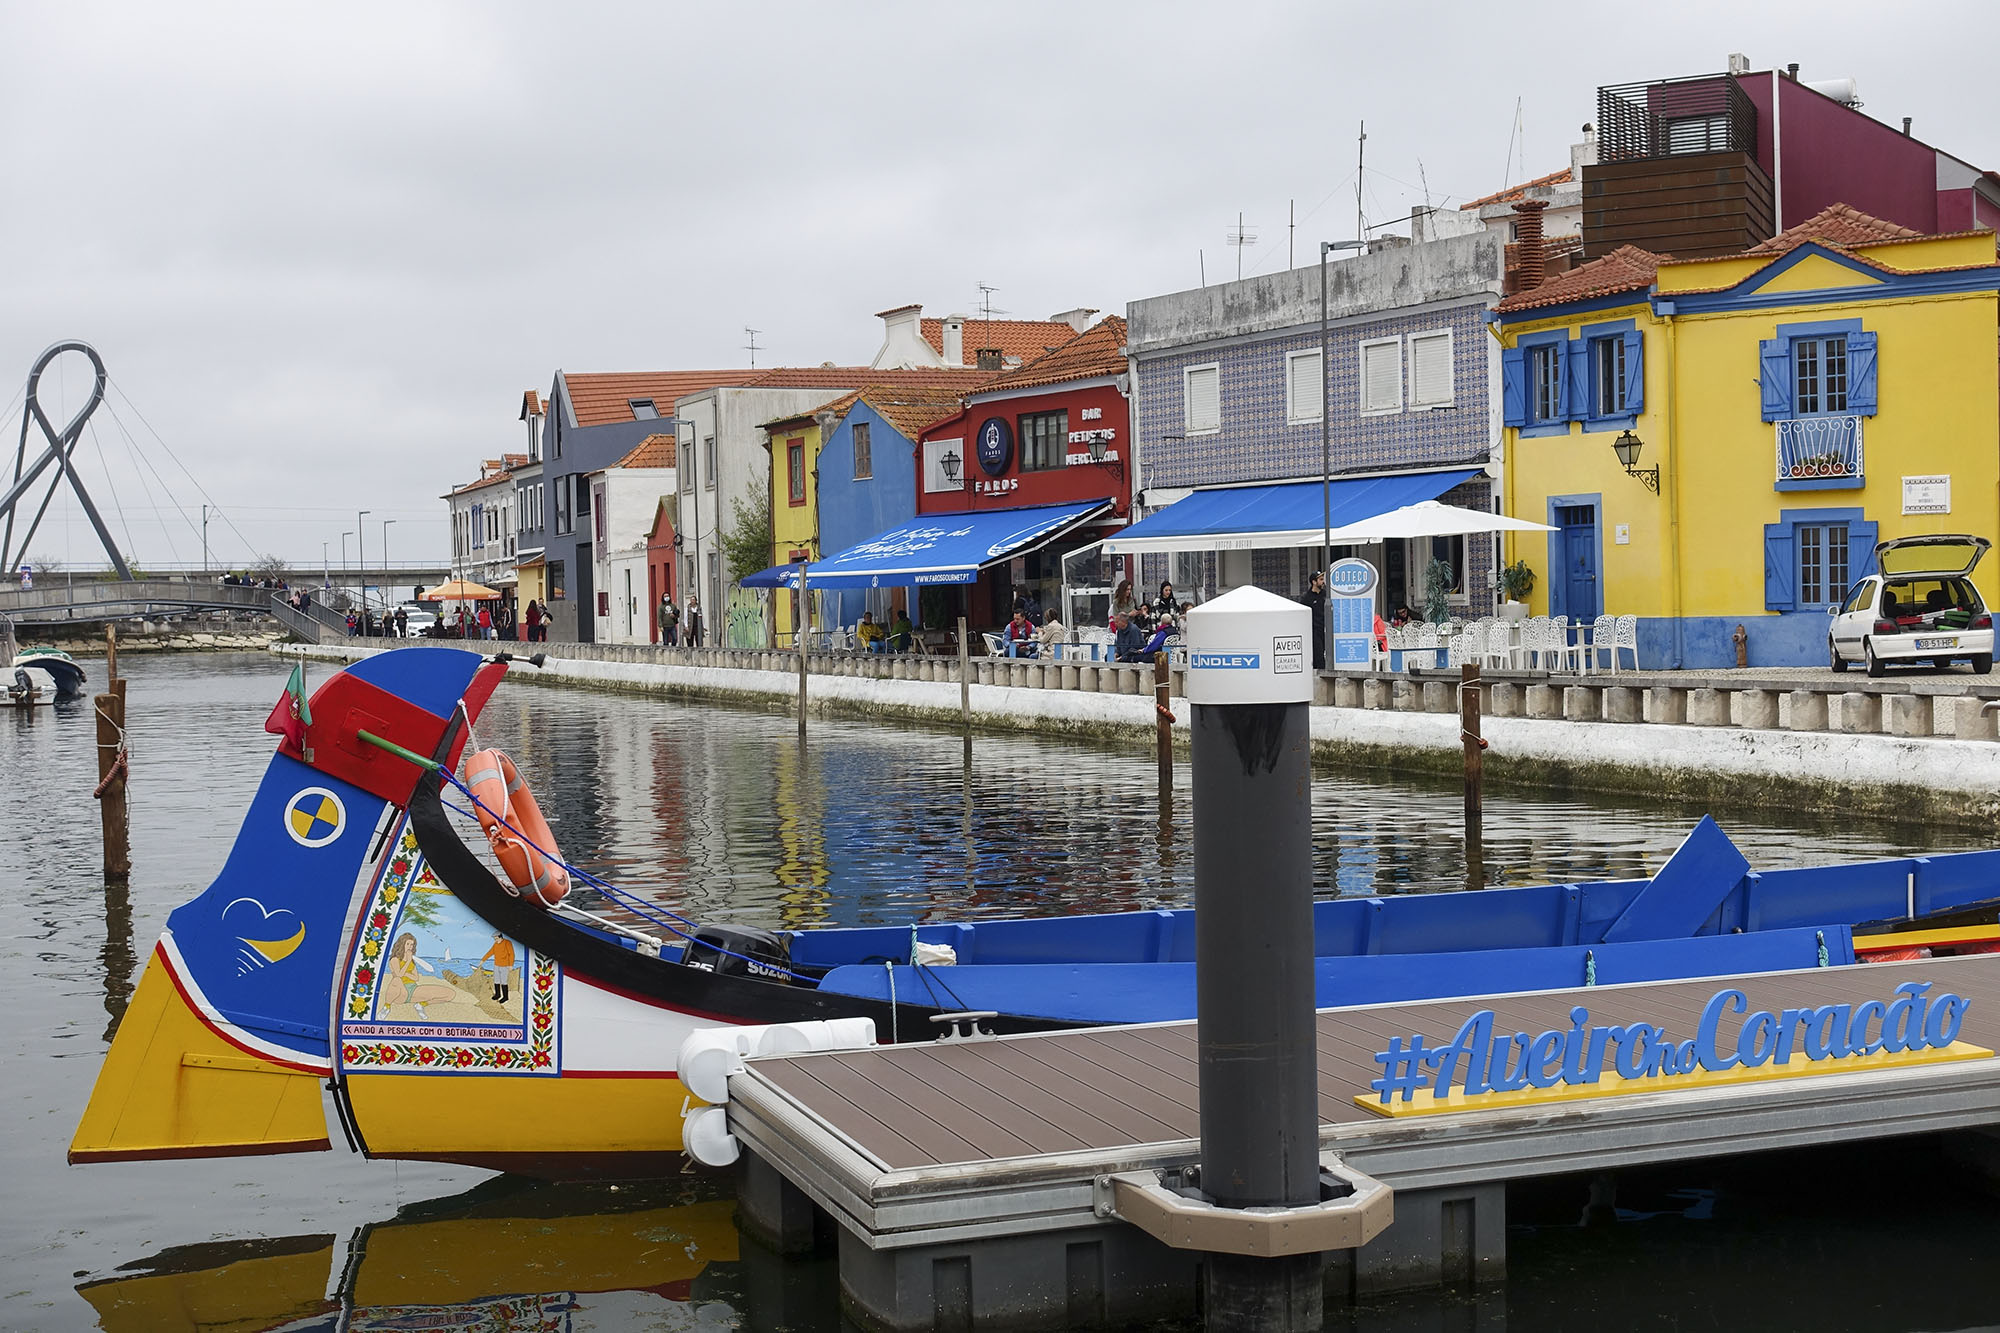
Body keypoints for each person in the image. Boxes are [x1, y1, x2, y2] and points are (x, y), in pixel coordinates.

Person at [480, 931, 516, 1005]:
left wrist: (511, 965)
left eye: (496, 938)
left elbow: (511, 954)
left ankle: (505, 997)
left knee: (503, 981)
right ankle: (497, 994)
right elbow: (490, 952)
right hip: (496, 964)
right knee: (496, 980)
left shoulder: (507, 943)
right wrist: (483, 960)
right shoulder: (496, 944)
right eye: (494, 939)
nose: (495, 940)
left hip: (505, 965)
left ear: (500, 937)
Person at [1302, 571, 1327, 671]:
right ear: (1314, 582)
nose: (1323, 582)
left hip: (1325, 629)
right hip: (1314, 630)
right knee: (1318, 653)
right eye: (1320, 580)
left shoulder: (1325, 595)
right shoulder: (1307, 598)